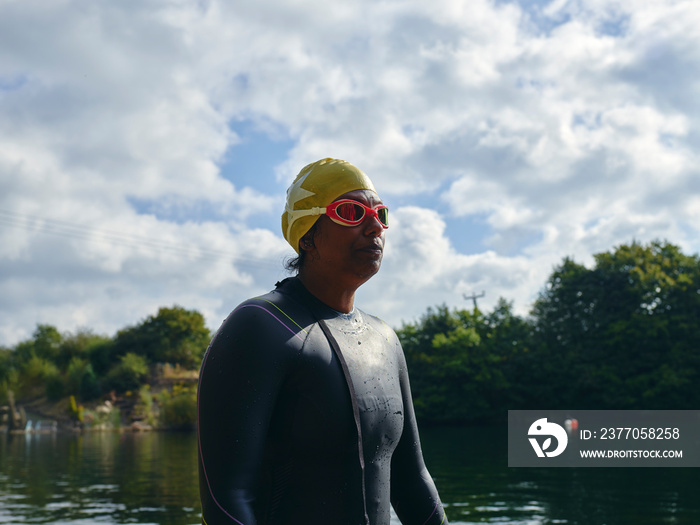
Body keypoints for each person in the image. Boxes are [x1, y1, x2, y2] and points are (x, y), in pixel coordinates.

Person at [197, 158, 448, 525]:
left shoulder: (384, 339)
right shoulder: (260, 327)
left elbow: (412, 481)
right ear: (307, 234)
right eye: (351, 212)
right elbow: (227, 501)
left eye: (380, 213)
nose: (375, 225)